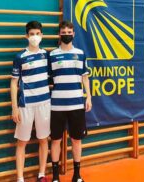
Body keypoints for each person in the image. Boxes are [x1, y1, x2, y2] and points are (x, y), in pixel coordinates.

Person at [49, 20, 92, 182]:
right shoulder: (52, 55)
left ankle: (77, 175)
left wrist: (89, 96)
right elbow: (47, 80)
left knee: (76, 140)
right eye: (63, 33)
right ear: (59, 34)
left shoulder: (80, 53)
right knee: (55, 140)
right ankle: (54, 177)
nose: (66, 35)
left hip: (76, 104)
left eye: (69, 33)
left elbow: (85, 77)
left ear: (73, 34)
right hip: (57, 106)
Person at [10, 21, 50, 182]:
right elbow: (13, 83)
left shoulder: (46, 55)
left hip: (44, 103)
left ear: (42, 35)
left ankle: (41, 174)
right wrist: (15, 108)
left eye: (37, 34)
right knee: (22, 142)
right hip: (25, 105)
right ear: (27, 36)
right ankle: (20, 178)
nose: (35, 37)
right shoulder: (20, 57)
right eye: (31, 34)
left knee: (43, 139)